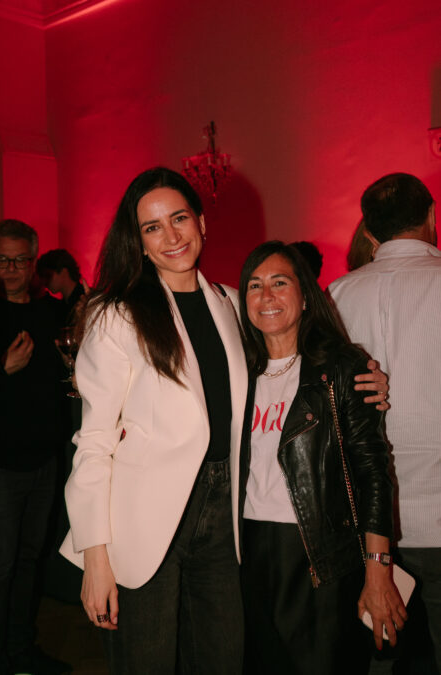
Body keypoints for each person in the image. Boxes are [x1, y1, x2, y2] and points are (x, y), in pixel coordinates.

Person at [60, 167, 389, 675]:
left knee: (222, 658)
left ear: (201, 222)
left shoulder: (231, 304)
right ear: (139, 242)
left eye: (179, 219)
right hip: (141, 524)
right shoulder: (118, 314)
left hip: (223, 515)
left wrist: (364, 378)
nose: (171, 237)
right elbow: (94, 441)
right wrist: (95, 557)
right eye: (152, 228)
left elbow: (294, 359)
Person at [238, 240, 406, 675]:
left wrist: (379, 571)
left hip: (320, 556)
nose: (266, 295)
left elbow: (373, 473)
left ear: (305, 295)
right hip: (248, 554)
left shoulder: (341, 368)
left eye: (280, 282)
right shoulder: (236, 373)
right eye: (254, 285)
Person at [329, 173, 441, 674]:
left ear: (370, 232)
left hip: (367, 524)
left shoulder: (335, 296)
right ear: (431, 216)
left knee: (377, 659)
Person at [0, 219, 71, 675]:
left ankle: (21, 650)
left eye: (19, 260)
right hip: (1, 462)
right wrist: (1, 368)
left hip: (45, 458)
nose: (10, 269)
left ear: (34, 261)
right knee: (1, 566)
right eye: (2, 259)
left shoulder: (51, 313)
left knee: (30, 560)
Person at [36, 248, 86, 326]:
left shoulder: (85, 299)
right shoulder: (61, 305)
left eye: (48, 276)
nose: (44, 281)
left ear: (64, 272)